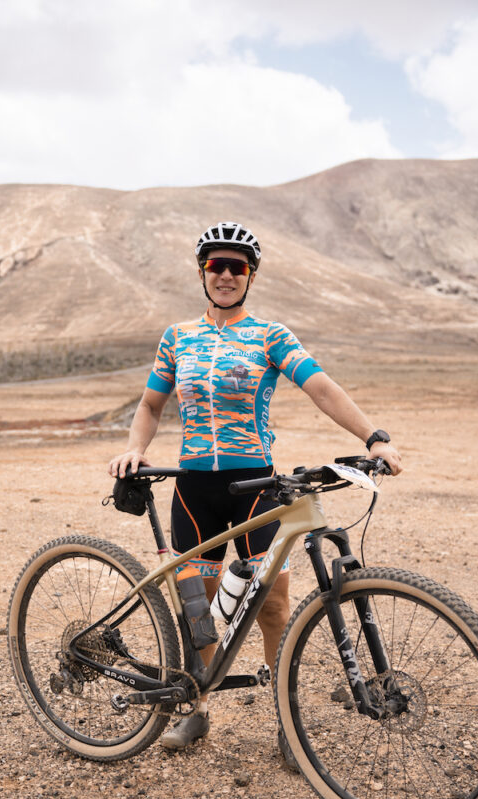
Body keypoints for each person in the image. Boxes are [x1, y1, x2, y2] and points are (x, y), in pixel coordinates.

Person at [109, 221, 401, 767]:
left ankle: (287, 721)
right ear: (202, 273)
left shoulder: (270, 335)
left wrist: (373, 437)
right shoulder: (177, 337)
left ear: (250, 275)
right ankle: (196, 706)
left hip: (256, 488)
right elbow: (150, 405)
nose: (225, 275)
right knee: (197, 608)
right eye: (215, 265)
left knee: (273, 606)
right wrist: (134, 449)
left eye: (236, 267)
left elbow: (320, 387)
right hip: (194, 490)